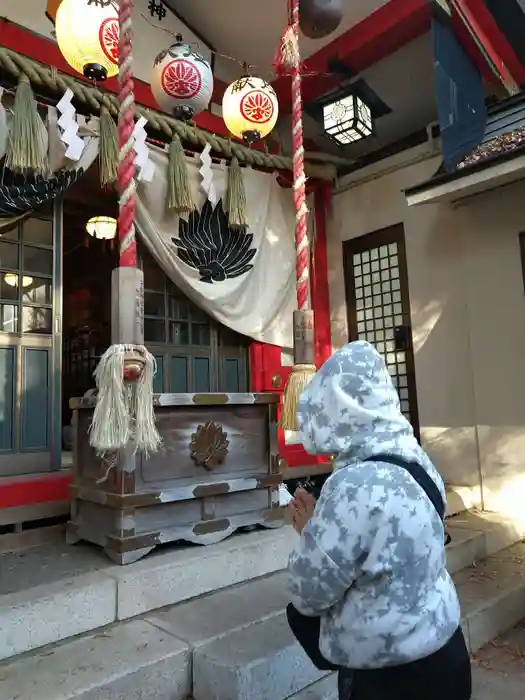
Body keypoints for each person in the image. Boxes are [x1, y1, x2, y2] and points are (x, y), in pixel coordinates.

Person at [285, 340, 471, 700]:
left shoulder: (352, 484)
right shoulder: (415, 458)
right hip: (445, 653)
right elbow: (386, 547)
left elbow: (307, 592)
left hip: (392, 680)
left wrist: (312, 533)